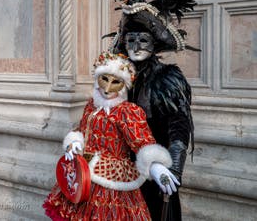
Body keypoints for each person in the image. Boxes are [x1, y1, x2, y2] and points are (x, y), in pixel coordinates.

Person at [43, 51, 179, 220]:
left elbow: (141, 141)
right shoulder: (91, 106)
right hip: (82, 175)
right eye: (104, 79)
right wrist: (74, 142)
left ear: (124, 85)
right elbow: (82, 129)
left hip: (112, 178)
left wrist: (155, 166)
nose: (107, 88)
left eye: (115, 82)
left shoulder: (127, 111)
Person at [108, 0, 201, 221]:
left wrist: (171, 170)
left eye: (143, 40)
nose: (136, 46)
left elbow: (179, 127)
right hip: (122, 172)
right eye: (131, 40)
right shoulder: (116, 78)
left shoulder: (167, 78)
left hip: (155, 172)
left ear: (154, 43)